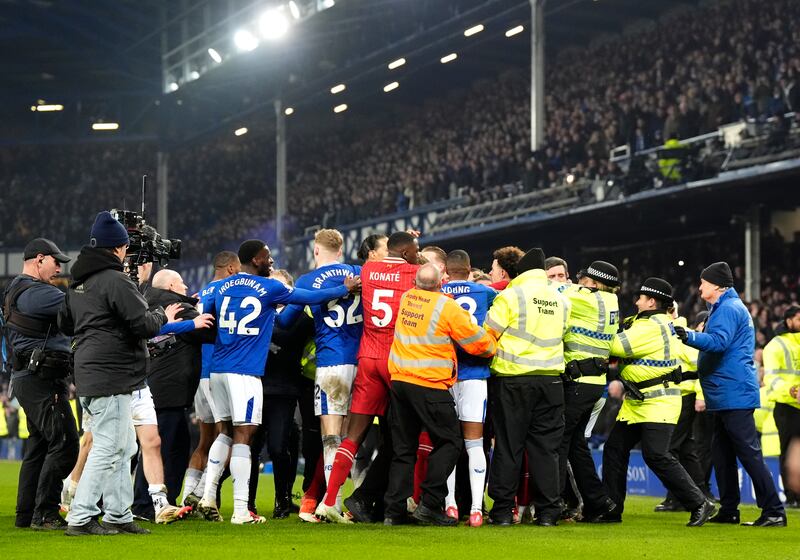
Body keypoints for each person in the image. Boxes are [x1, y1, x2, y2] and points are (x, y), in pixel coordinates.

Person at [195, 239, 359, 525]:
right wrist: (342, 289)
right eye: (267, 256)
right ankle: (241, 511)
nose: (271, 261)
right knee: (245, 436)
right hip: (245, 372)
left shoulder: (221, 286)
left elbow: (203, 316)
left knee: (224, 433)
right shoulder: (271, 287)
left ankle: (207, 496)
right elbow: (308, 297)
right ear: (256, 260)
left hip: (217, 370)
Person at [58, 211, 181, 536]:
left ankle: (117, 514)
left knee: (125, 446)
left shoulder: (79, 282)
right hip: (111, 373)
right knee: (108, 446)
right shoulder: (115, 280)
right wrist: (159, 313)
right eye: (125, 247)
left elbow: (64, 323)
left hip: (95, 371)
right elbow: (143, 324)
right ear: (118, 248)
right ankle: (81, 517)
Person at [316, 231, 419, 523]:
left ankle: (329, 500)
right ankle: (407, 501)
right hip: (397, 360)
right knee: (404, 436)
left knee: (353, 435)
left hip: (368, 358)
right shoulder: (413, 272)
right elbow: (432, 275)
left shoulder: (368, 270)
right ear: (408, 252)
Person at [384, 263, 496, 526]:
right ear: (439, 284)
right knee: (450, 442)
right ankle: (430, 505)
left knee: (403, 450)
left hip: (400, 381)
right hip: (430, 384)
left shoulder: (407, 298)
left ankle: (394, 512)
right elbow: (477, 343)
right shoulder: (446, 307)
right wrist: (492, 343)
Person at [676, 262, 787, 527]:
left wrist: (689, 336)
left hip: (733, 393)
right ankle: (729, 510)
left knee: (748, 453)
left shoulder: (727, 309)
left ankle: (774, 510)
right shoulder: (725, 307)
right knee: (722, 454)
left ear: (716, 285)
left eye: (703, 282)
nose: (699, 286)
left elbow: (718, 342)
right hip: (726, 393)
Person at [602, 277, 715, 527]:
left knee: (656, 455)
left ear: (651, 301)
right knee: (614, 449)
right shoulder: (657, 322)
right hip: (639, 402)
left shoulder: (652, 325)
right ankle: (611, 508)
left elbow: (615, 346)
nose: (636, 302)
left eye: (640, 298)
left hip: (657, 402)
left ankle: (699, 502)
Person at [279, 229, 362, 517]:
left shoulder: (308, 280)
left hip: (331, 364)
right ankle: (356, 500)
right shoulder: (357, 272)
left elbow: (286, 322)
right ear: (340, 249)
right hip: (362, 363)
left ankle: (333, 503)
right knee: (355, 437)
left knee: (331, 437)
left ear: (316, 251)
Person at [483, 248, 569, 526]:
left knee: (509, 446)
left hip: (513, 380)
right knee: (546, 450)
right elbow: (563, 332)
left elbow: (488, 334)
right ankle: (548, 512)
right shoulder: (560, 300)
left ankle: (503, 511)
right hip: (551, 381)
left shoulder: (510, 295)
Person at [5, 238, 78, 530]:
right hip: (41, 380)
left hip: (30, 377)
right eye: (55, 262)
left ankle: (26, 514)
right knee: (65, 443)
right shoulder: (36, 293)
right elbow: (77, 305)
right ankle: (45, 512)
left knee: (39, 446)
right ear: (39, 259)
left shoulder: (18, 289)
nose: (59, 268)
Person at [132, 269, 217, 521]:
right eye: (182, 283)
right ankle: (144, 506)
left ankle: (161, 503)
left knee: (172, 446)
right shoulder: (176, 305)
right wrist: (200, 306)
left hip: (156, 386)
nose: (186, 286)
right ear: (171, 285)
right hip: (169, 391)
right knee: (161, 448)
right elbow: (208, 331)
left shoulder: (150, 302)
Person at [557, 260, 620, 522]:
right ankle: (599, 503)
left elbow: (556, 290)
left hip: (578, 383)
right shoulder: (610, 302)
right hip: (594, 384)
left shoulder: (588, 299)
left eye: (585, 280)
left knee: (557, 443)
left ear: (593, 283)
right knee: (576, 446)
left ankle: (557, 504)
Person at [250, 269, 315, 518]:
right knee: (252, 448)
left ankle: (283, 501)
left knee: (278, 448)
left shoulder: (300, 319)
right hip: (256, 387)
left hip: (285, 391)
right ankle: (249, 503)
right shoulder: (258, 313)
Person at [181, 251, 241, 510]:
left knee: (204, 441)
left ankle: (185, 498)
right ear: (229, 268)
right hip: (219, 371)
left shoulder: (202, 295)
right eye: (237, 269)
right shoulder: (229, 292)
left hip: (200, 374)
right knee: (228, 435)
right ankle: (204, 491)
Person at [441, 250, 497, 527]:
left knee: (449, 443)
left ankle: (450, 504)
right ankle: (476, 509)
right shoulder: (484, 292)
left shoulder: (438, 292)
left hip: (446, 376)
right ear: (470, 268)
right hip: (476, 375)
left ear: (447, 271)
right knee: (475, 444)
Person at [655, 310, 709, 512]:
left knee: (670, 449)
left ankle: (677, 497)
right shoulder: (673, 333)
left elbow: (700, 366)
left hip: (684, 397)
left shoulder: (680, 334)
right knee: (686, 449)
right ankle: (701, 493)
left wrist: (700, 396)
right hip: (677, 396)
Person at [762, 305, 800, 508]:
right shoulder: (775, 346)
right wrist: (793, 391)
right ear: (788, 321)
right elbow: (772, 379)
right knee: (788, 451)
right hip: (786, 406)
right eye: (799, 319)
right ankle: (792, 496)